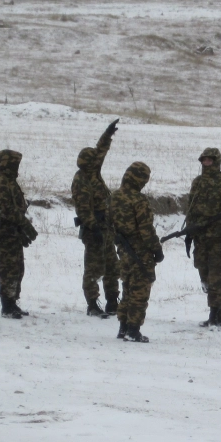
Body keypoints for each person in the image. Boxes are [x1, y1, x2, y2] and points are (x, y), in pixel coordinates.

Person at [183, 148, 221, 327]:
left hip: (218, 238)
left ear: (216, 161)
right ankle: (218, 312)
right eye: (204, 160)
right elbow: (191, 209)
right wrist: (189, 233)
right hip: (201, 239)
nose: (206, 163)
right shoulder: (197, 182)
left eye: (209, 160)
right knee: (204, 275)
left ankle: (215, 314)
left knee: (216, 278)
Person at [71, 120, 121, 318]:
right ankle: (92, 303)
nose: (97, 162)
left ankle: (112, 301)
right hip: (94, 231)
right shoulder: (81, 180)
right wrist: (94, 228)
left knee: (111, 266)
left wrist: (107, 135)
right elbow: (83, 209)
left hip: (106, 228)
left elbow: (100, 152)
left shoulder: (93, 172)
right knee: (93, 268)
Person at [109, 162, 163, 342]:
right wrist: (156, 249)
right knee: (140, 291)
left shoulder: (115, 196)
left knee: (127, 289)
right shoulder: (139, 200)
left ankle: (123, 327)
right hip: (140, 252)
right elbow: (146, 230)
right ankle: (133, 330)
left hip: (123, 251)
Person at [0, 149, 38, 319]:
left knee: (17, 268)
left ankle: (12, 301)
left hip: (13, 232)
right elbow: (5, 210)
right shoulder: (1, 182)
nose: (17, 167)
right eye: (14, 163)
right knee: (7, 268)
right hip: (4, 232)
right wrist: (24, 224)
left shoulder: (9, 181)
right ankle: (7, 305)